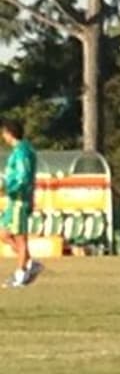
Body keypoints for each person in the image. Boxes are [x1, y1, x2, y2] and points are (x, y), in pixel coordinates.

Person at [0, 117, 41, 288]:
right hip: (12, 201)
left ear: (10, 133)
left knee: (20, 238)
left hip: (19, 200)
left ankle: (20, 274)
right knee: (3, 233)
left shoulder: (23, 152)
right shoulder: (19, 151)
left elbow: (23, 178)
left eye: (4, 133)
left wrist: (6, 187)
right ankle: (30, 264)